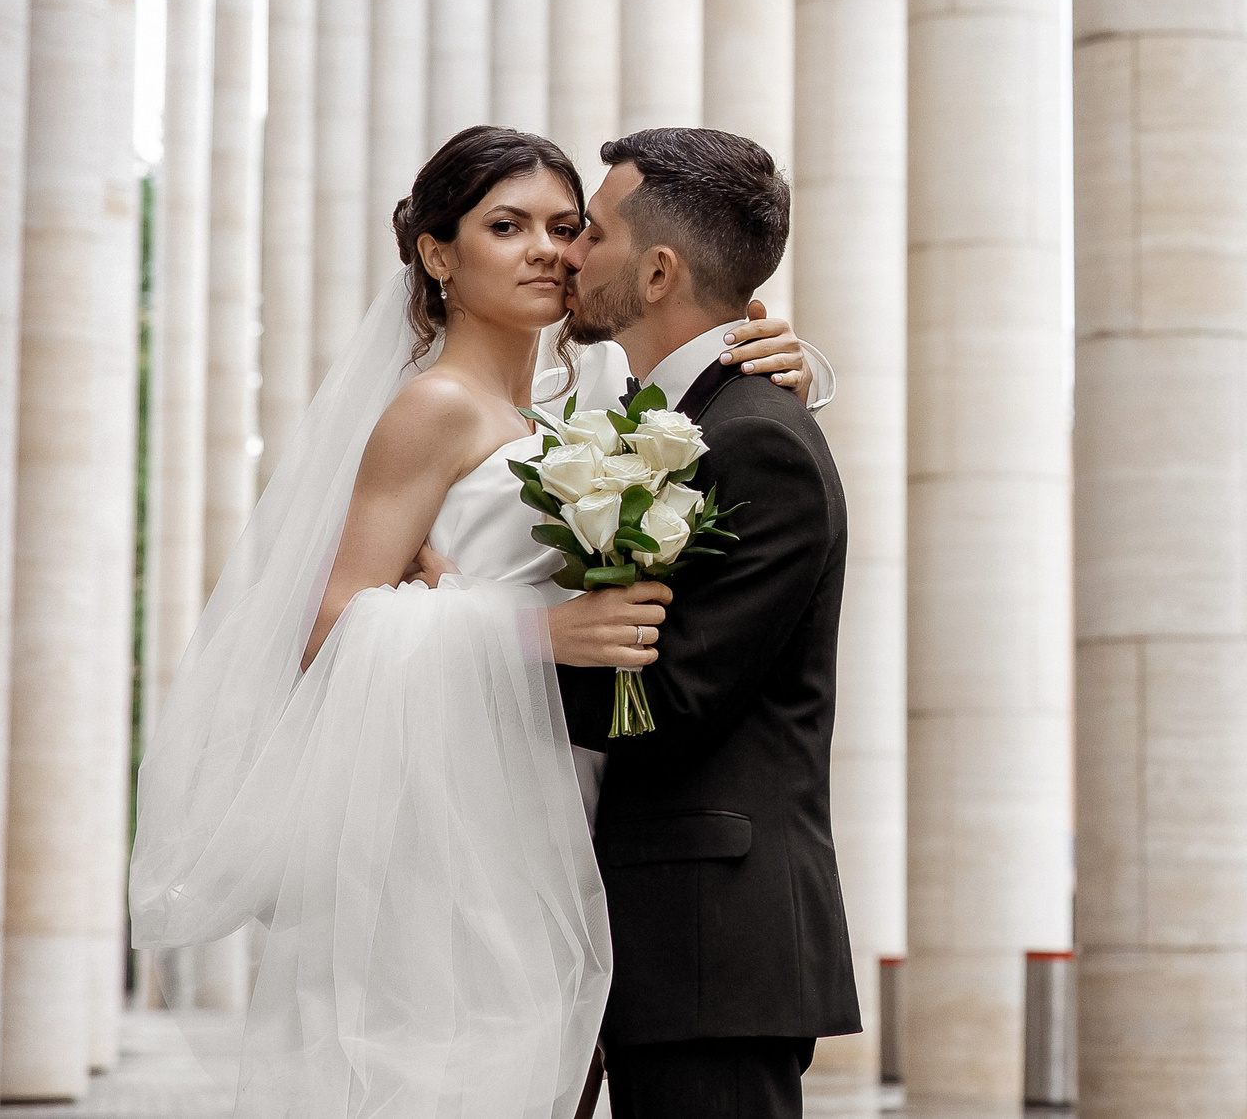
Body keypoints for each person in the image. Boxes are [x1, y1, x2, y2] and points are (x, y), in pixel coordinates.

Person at [128, 127, 826, 1118]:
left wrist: (787, 362)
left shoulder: (573, 419)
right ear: (438, 253)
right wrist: (527, 632)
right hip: (444, 828)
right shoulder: (434, 409)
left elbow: (709, 432)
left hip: (553, 822)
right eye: (507, 226)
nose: (548, 249)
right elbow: (324, 630)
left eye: (565, 225)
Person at [552, 128, 860, 1119]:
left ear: (655, 271)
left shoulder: (756, 441)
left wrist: (491, 646)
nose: (568, 254)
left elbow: (672, 699)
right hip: (669, 935)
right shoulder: (682, 415)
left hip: (711, 938)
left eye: (589, 232)